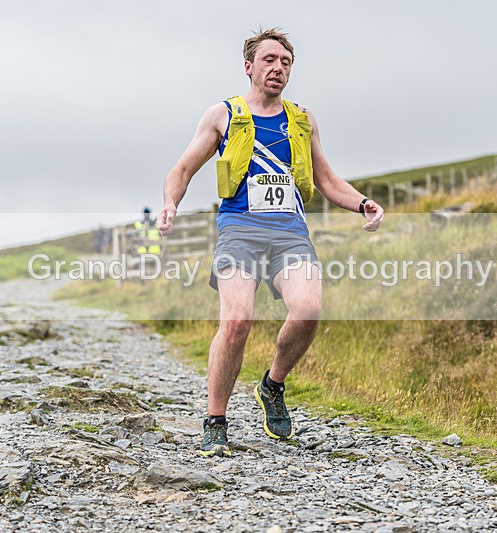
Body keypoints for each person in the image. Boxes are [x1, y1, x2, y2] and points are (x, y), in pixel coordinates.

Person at [158, 28, 384, 457]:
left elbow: (327, 180)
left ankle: (272, 385)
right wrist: (170, 203)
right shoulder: (222, 115)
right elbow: (182, 169)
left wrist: (363, 204)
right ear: (249, 66)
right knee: (237, 321)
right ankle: (216, 419)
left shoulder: (302, 119)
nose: (278, 68)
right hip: (239, 229)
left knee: (308, 311)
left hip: (289, 233)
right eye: (269, 60)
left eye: (285, 62)